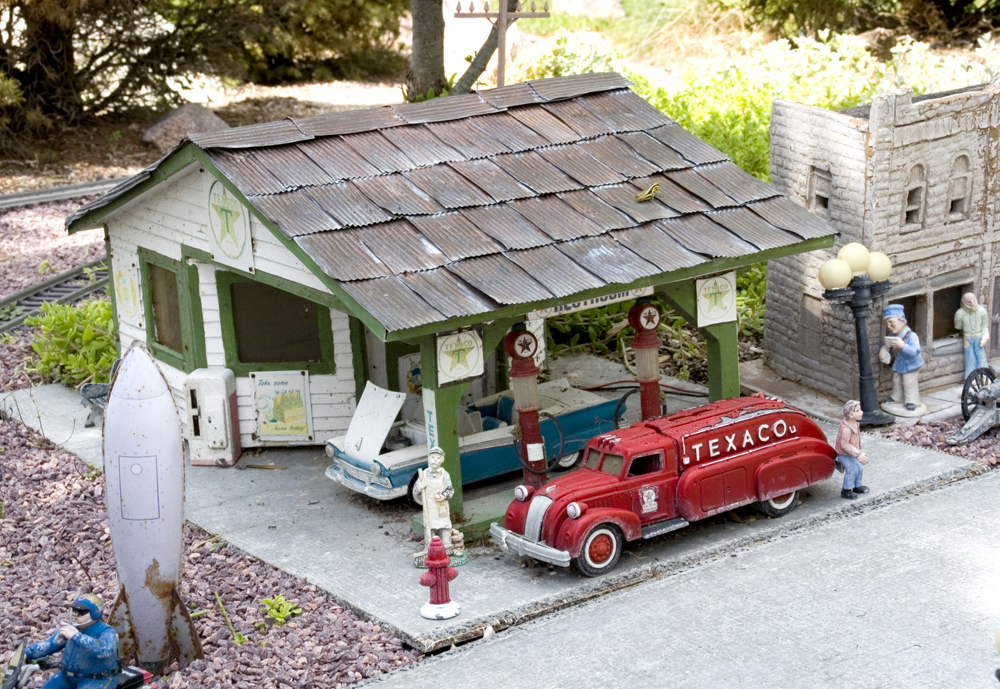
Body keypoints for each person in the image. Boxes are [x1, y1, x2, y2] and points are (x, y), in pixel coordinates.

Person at [3, 594, 118, 689]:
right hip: (66, 676)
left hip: (96, 679)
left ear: (95, 613)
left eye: (81, 612)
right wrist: (26, 653)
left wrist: (76, 636)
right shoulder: (70, 627)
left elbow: (104, 651)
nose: (75, 614)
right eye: (73, 609)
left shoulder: (107, 632)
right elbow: (49, 645)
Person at [878, 303, 925, 413]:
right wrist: (884, 349)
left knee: (909, 382)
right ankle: (896, 397)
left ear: (902, 322)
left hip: (910, 364)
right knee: (896, 381)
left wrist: (903, 346)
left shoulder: (912, 336)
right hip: (899, 364)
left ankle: (912, 401)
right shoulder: (893, 334)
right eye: (888, 325)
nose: (889, 327)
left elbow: (916, 351)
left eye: (892, 324)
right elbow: (888, 345)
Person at [414, 448, 457, 559]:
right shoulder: (423, 474)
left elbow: (450, 490)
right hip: (429, 508)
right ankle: (431, 548)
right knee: (430, 527)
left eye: (438, 458)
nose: (435, 460)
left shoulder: (444, 474)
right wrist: (419, 486)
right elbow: (415, 492)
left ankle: (447, 547)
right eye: (433, 457)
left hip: (441, 506)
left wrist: (443, 495)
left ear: (442, 460)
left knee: (445, 526)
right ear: (429, 458)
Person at [835, 400, 869, 500]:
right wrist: (858, 454)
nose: (861, 412)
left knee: (860, 468)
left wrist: (858, 451)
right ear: (851, 414)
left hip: (852, 453)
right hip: (844, 454)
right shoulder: (846, 429)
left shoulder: (855, 424)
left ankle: (856, 486)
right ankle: (846, 490)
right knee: (852, 470)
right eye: (858, 410)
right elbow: (844, 445)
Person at [955, 292, 990, 379]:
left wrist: (985, 338)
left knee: (981, 357)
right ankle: (971, 380)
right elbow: (958, 326)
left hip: (979, 337)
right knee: (970, 359)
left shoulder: (982, 311)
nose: (972, 303)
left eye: (973, 300)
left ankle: (984, 378)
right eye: (969, 301)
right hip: (967, 338)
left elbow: (985, 326)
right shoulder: (959, 313)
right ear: (964, 302)